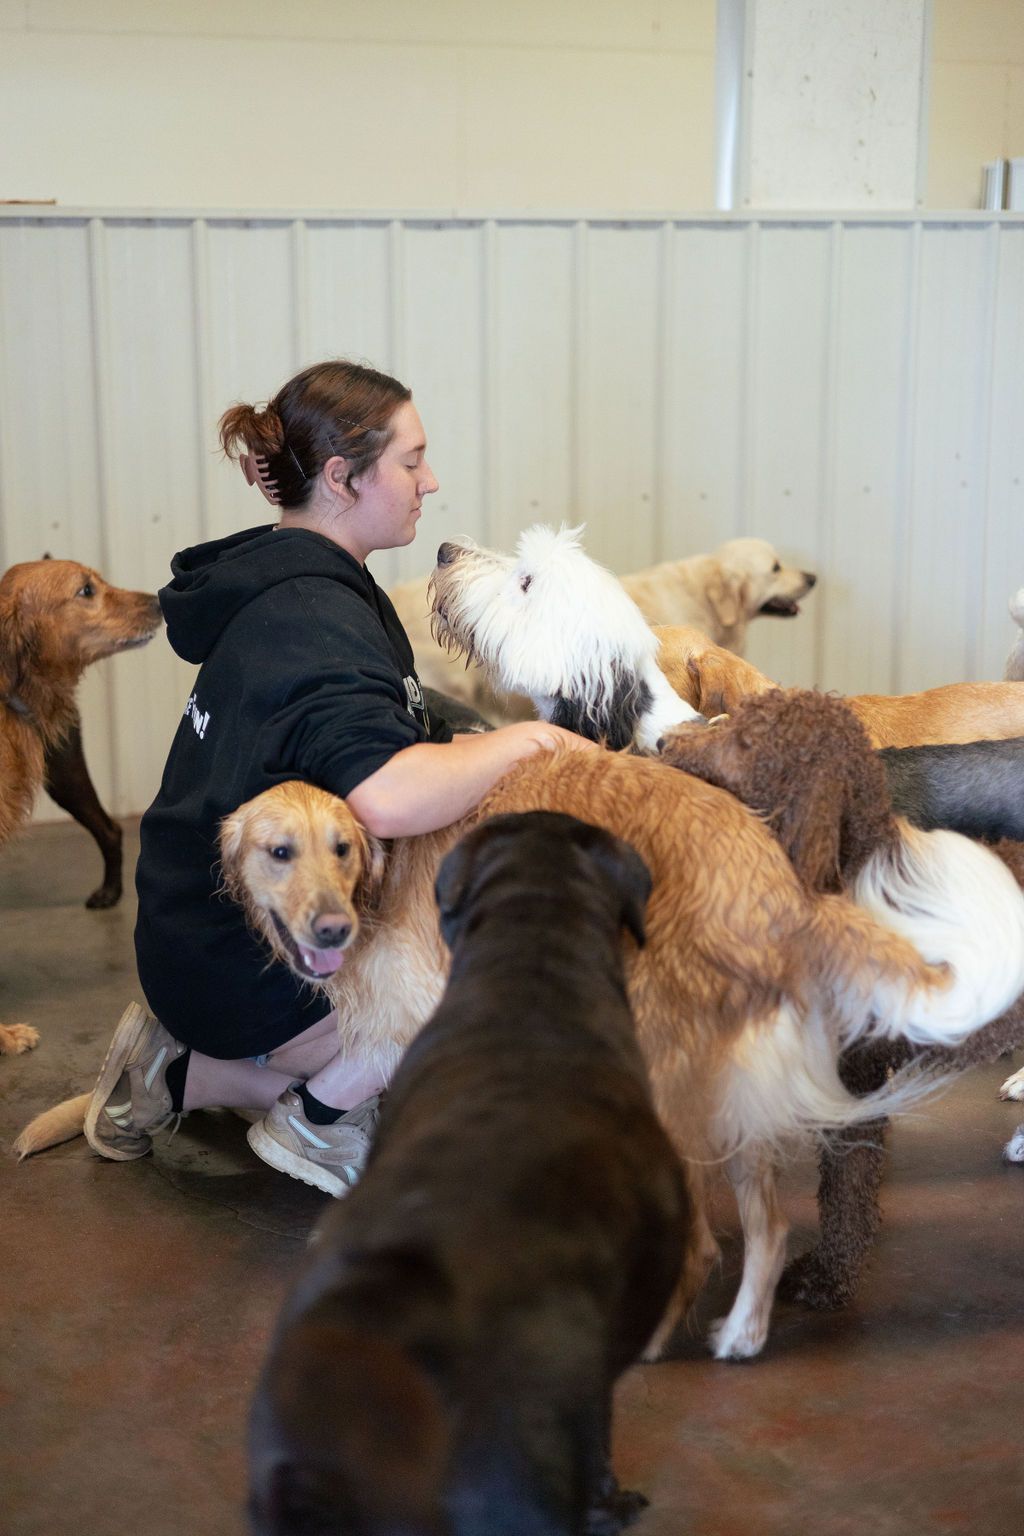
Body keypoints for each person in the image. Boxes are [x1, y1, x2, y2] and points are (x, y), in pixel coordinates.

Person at [82, 359, 595, 1196]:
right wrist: (531, 742)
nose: (431, 480)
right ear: (340, 477)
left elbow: (395, 723)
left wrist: (478, 735)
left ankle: (192, 1071)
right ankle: (308, 1121)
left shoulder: (290, 577)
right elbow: (385, 794)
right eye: (411, 460)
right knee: (495, 987)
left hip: (193, 932)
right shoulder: (315, 616)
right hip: (247, 965)